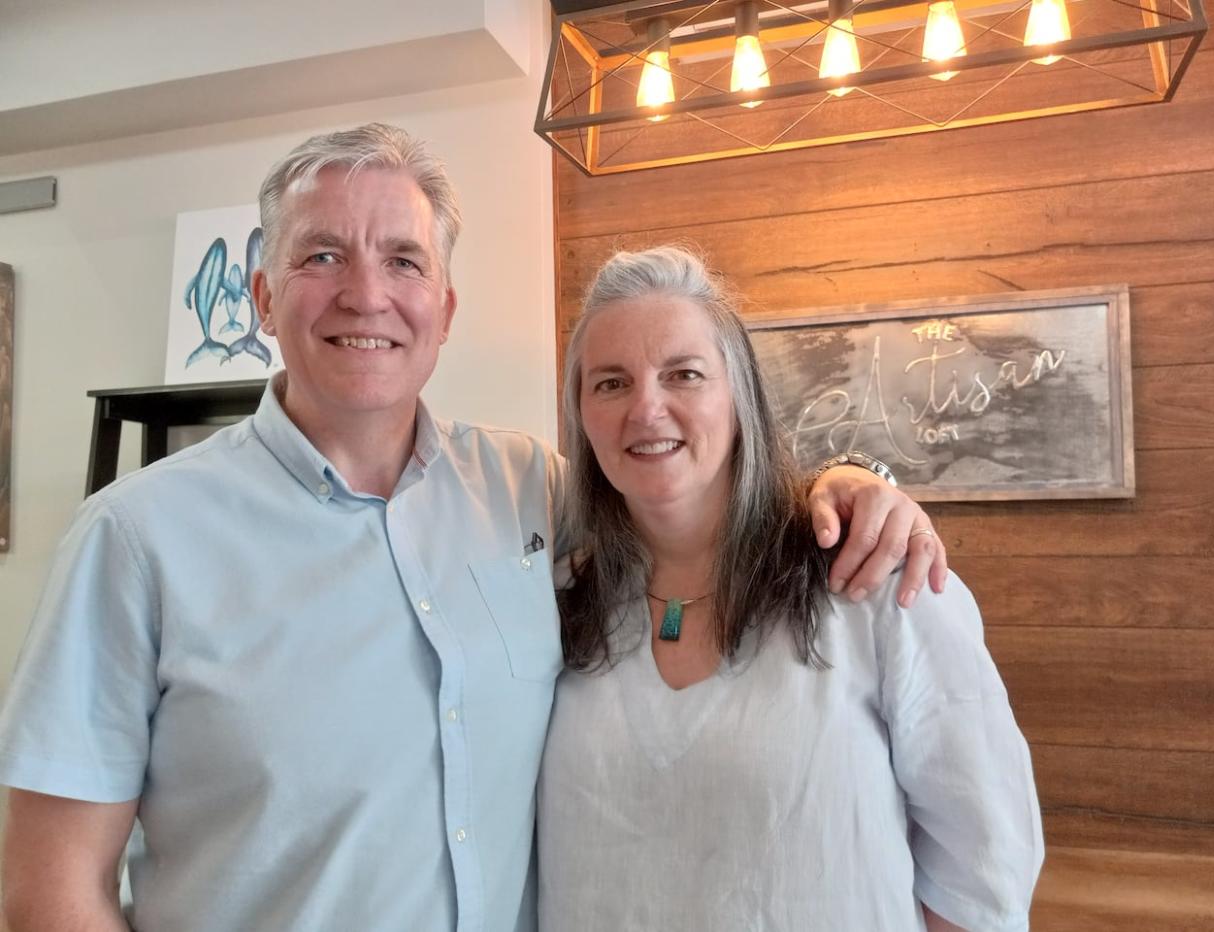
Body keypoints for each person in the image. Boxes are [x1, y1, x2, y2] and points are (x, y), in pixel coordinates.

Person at [0, 126, 944, 932]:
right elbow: (49, 891)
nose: (366, 294)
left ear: (443, 309)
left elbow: (679, 492)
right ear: (260, 299)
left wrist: (844, 484)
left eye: (403, 260)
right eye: (321, 255)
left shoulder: (527, 483)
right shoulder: (134, 539)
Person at [538, 246, 1044, 931]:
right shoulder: (552, 600)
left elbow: (985, 874)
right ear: (580, 417)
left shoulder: (873, 577)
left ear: (739, 397)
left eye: (683, 374)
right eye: (610, 383)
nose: (646, 408)